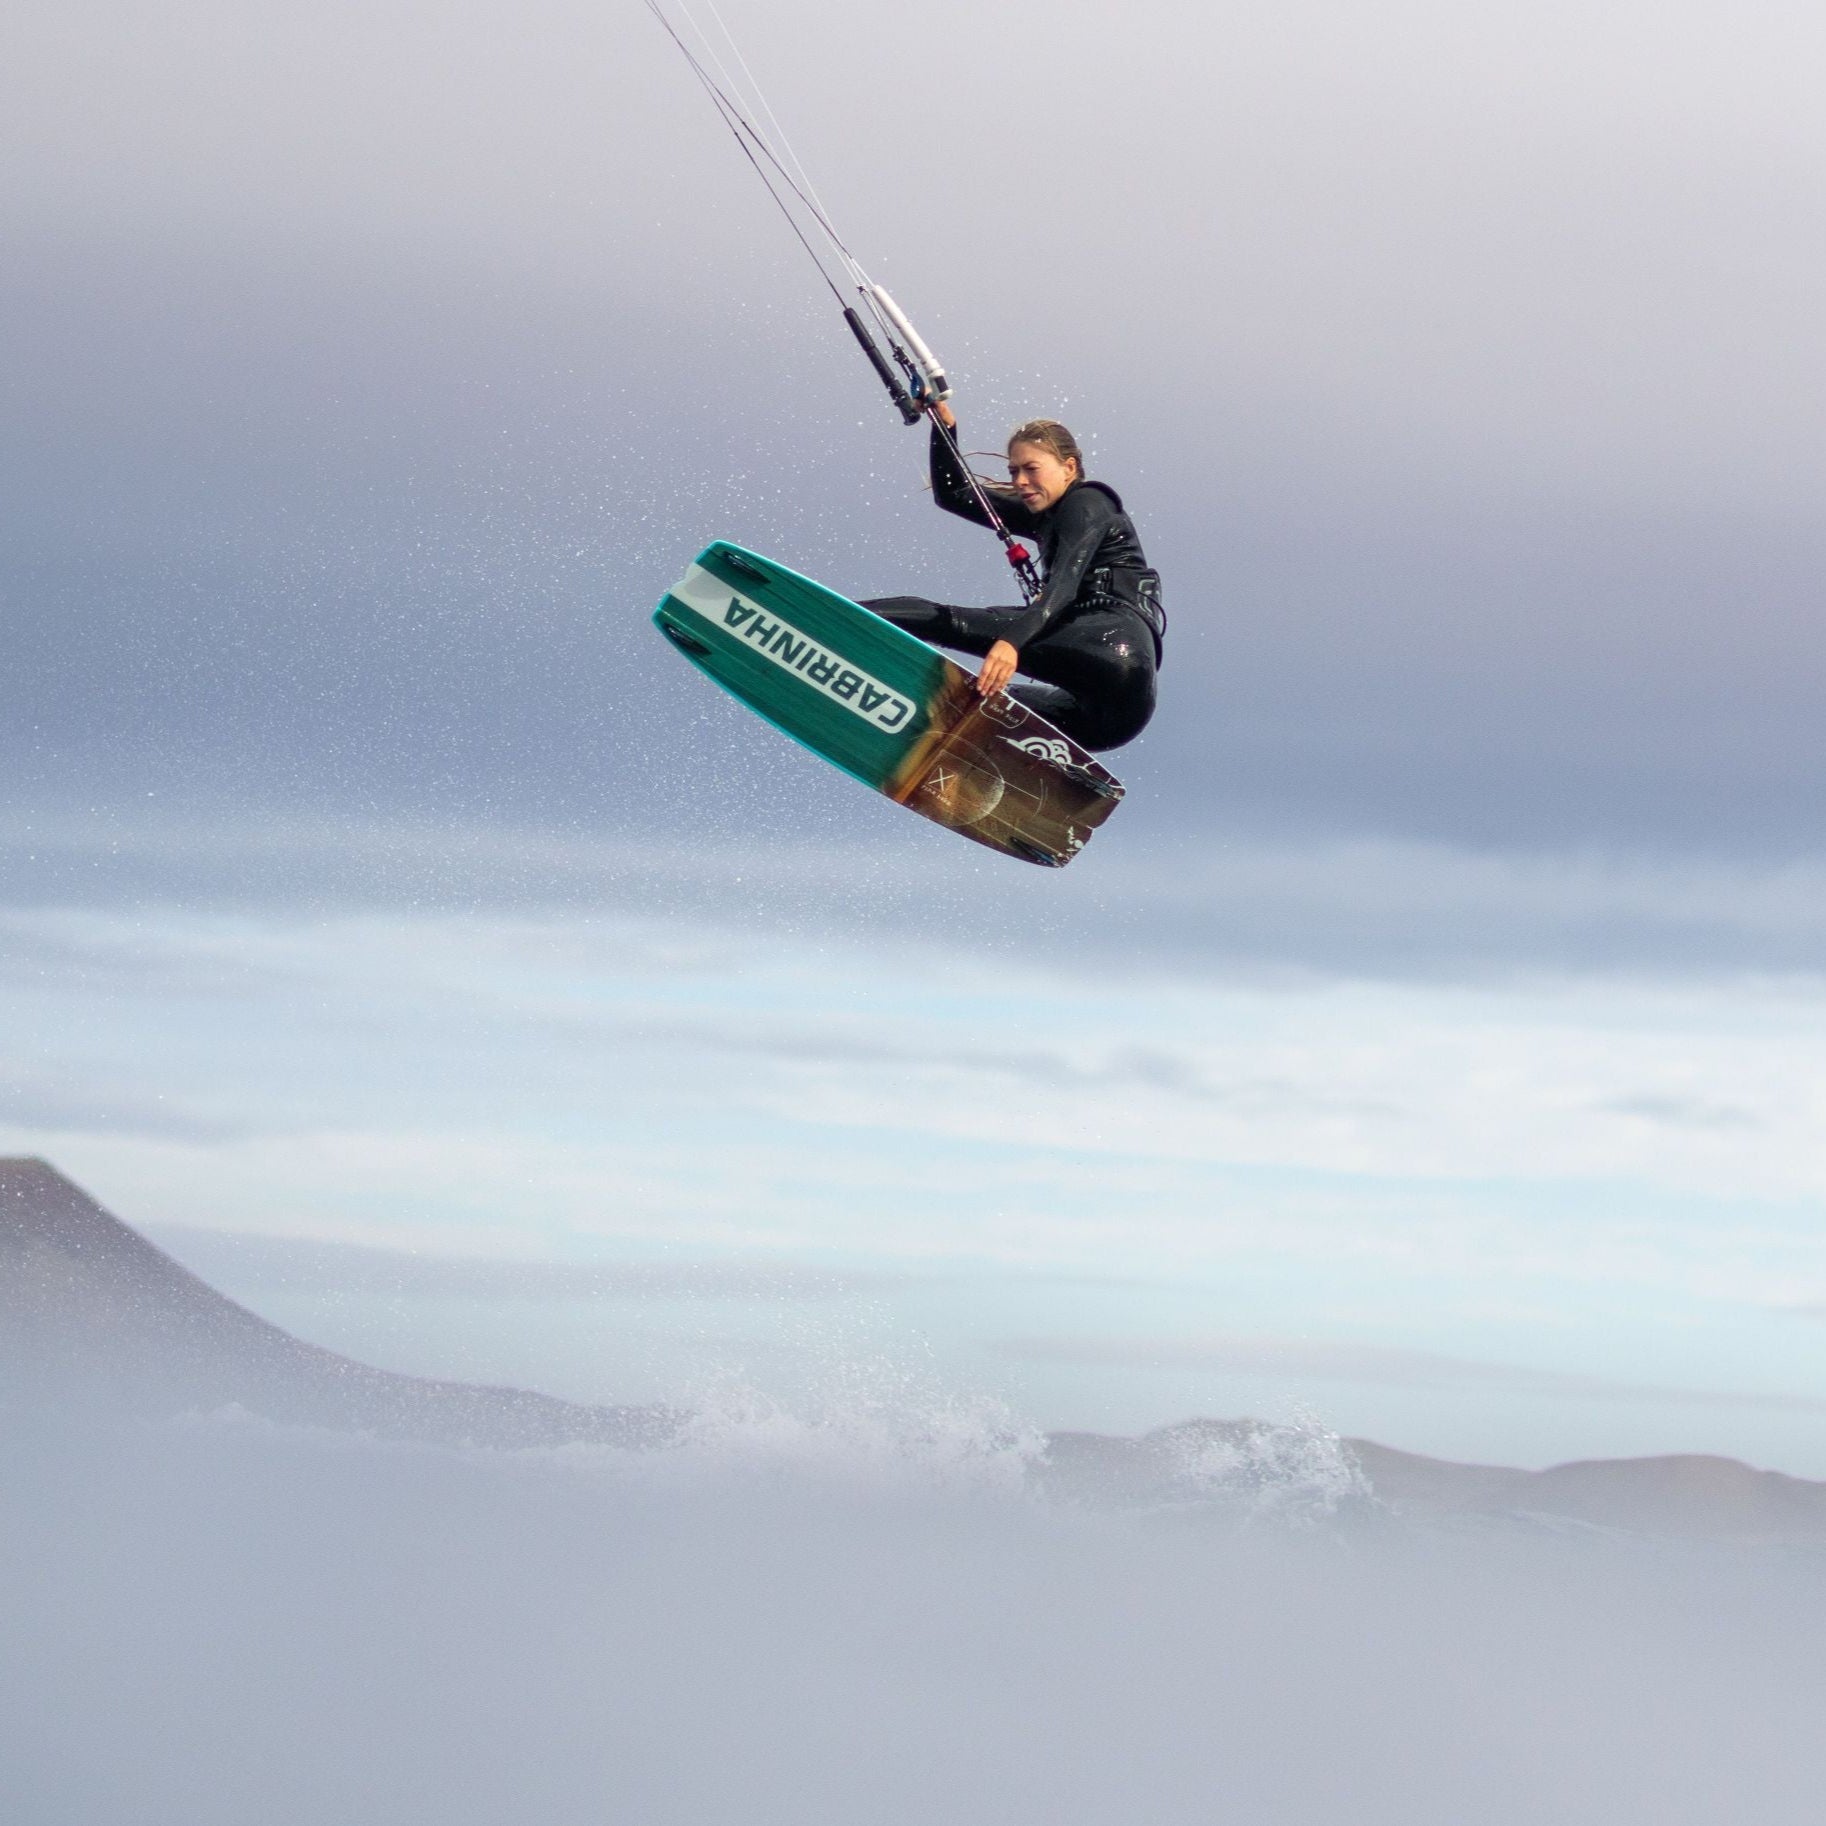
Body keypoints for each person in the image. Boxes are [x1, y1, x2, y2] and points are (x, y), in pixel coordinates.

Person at [862, 401, 1164, 751]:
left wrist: (1009, 643)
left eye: (1031, 469)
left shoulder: (1087, 502)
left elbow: (1060, 590)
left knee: (949, 620)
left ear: (1069, 467)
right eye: (1013, 471)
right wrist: (945, 429)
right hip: (1117, 715)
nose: (1020, 481)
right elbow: (955, 495)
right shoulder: (1045, 517)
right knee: (983, 703)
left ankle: (839, 615)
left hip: (1109, 645)